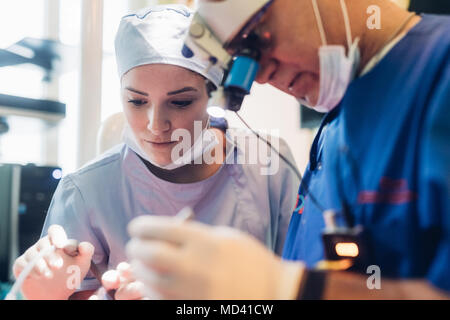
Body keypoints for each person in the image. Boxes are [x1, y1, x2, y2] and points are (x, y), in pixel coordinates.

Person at [126, 0, 450, 299]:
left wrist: (284, 287)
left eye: (257, 40)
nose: (262, 76)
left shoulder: (439, 72)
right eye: (242, 56)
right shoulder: (336, 129)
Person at [11, 4, 299, 300]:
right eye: (137, 101)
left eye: (181, 102)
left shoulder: (269, 166)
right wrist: (44, 295)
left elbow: (310, 283)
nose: (156, 125)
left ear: (215, 94)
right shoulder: (84, 191)